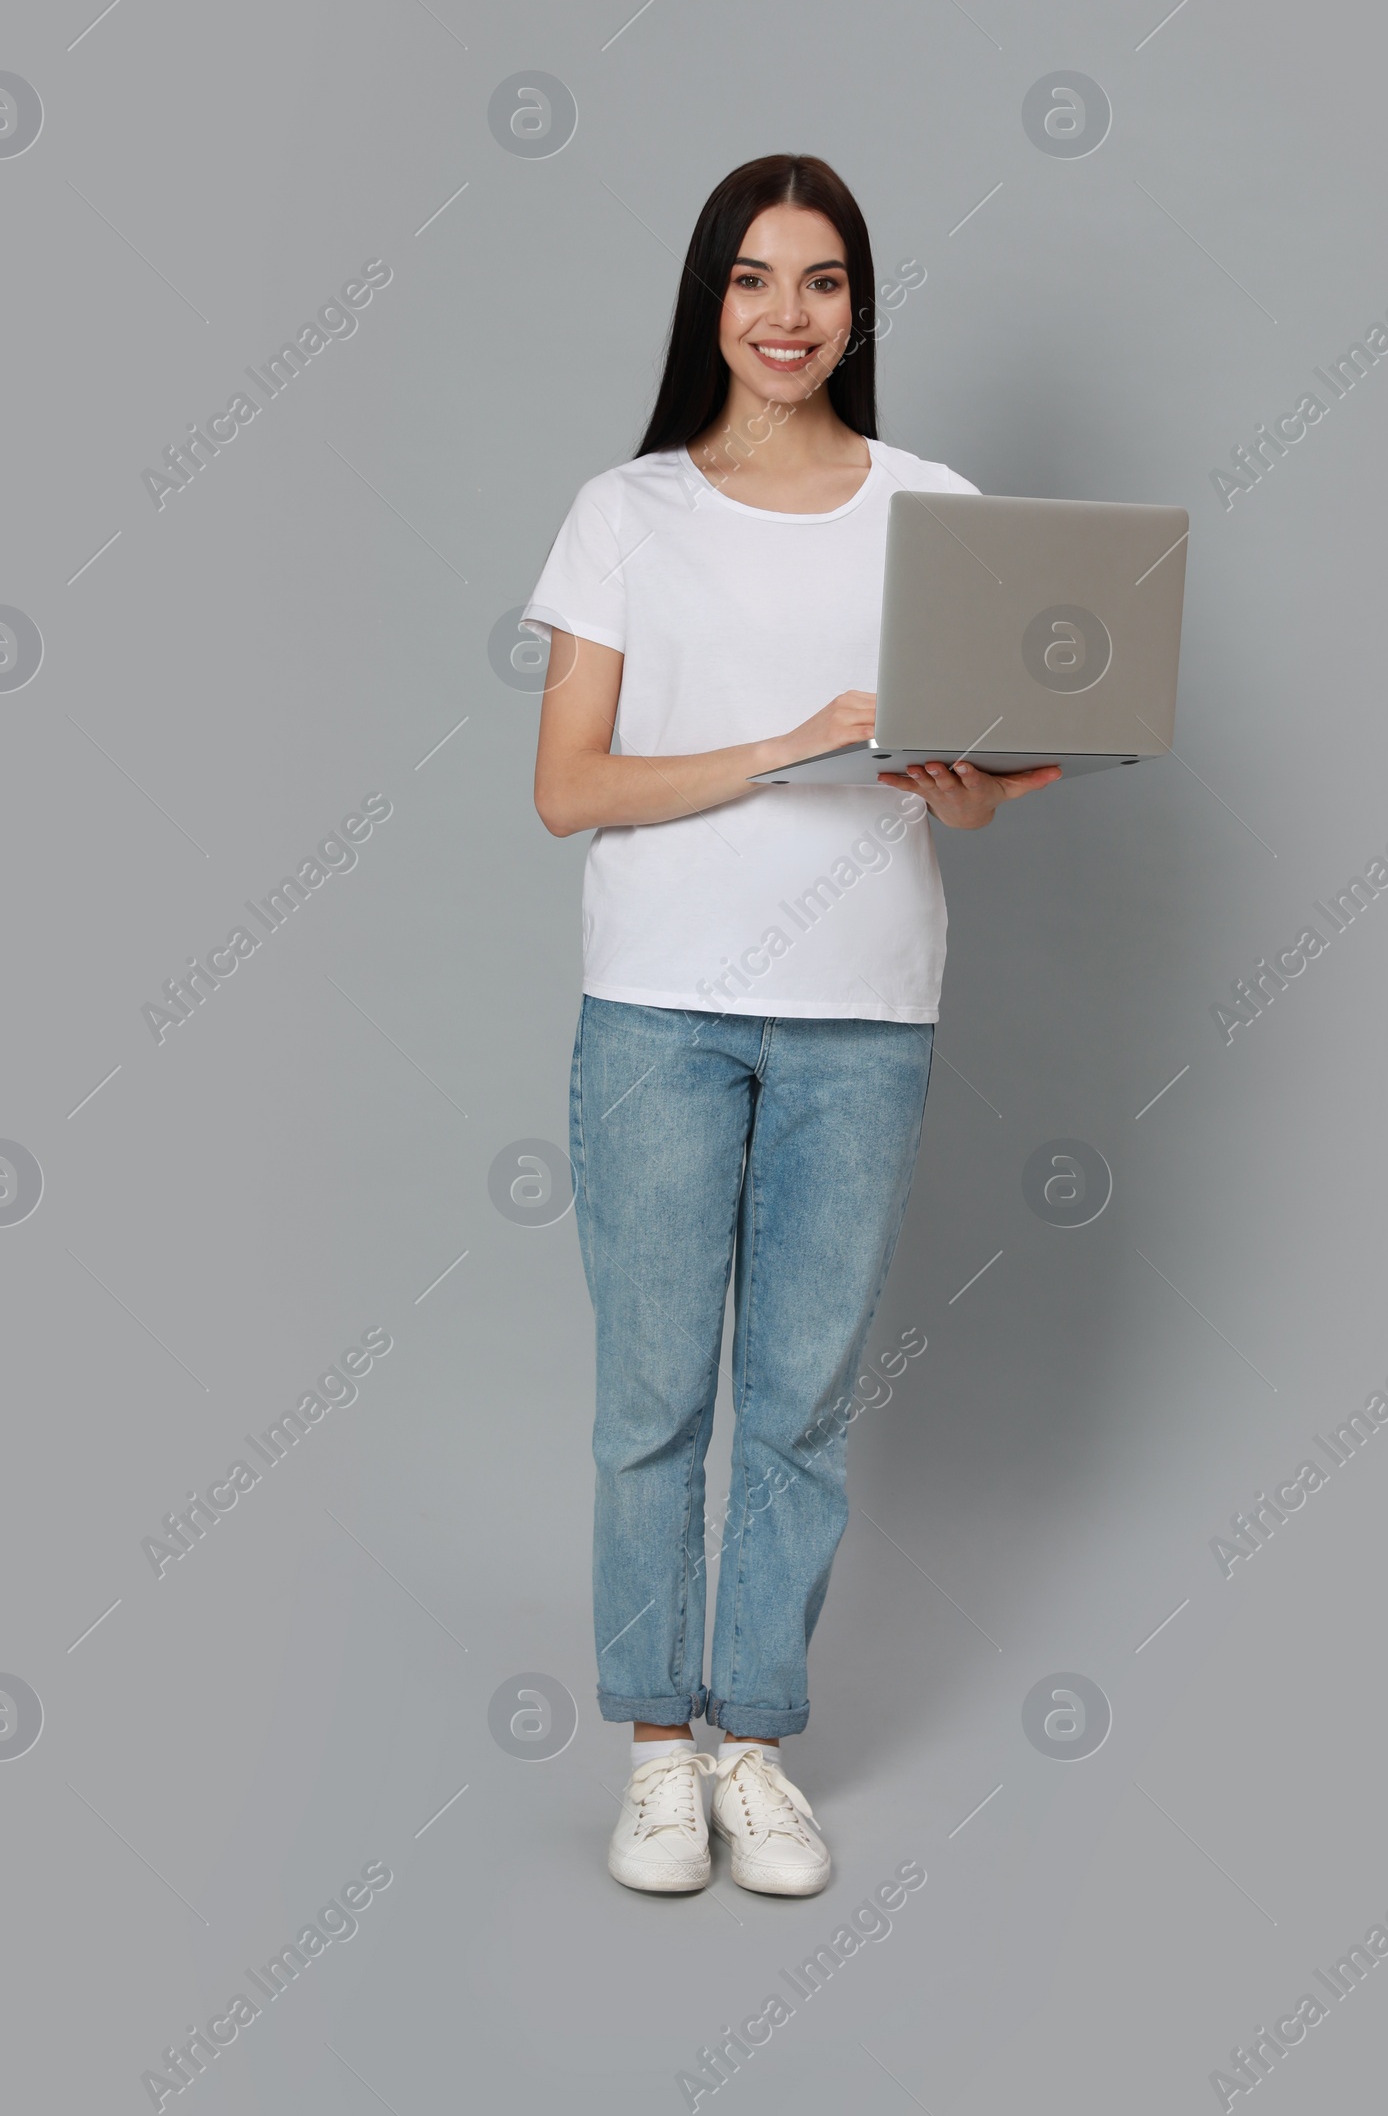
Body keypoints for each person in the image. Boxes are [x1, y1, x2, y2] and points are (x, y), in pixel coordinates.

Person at [522, 153, 1060, 1896]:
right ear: (711, 301)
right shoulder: (627, 511)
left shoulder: (935, 504)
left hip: (864, 1016)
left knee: (806, 1401)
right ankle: (656, 1752)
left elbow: (962, 811)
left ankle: (751, 1736)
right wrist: (791, 738)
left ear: (858, 309)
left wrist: (958, 776)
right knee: (653, 1398)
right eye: (754, 279)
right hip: (662, 1012)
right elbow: (567, 788)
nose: (785, 315)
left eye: (820, 282)